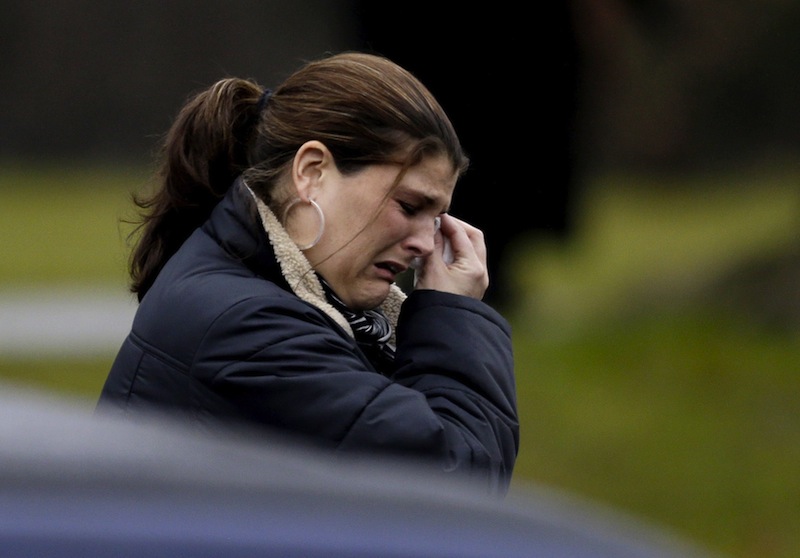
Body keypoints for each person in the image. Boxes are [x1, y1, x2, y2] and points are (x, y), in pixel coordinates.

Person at [96, 52, 519, 495]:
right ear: (312, 173)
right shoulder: (252, 331)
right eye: (409, 206)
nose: (425, 243)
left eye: (435, 218)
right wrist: (454, 316)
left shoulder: (251, 290)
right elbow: (458, 483)